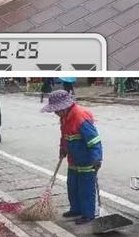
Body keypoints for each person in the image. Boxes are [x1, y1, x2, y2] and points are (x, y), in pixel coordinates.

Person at [42, 90, 103, 225]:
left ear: (64, 107)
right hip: (73, 159)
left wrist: (97, 158)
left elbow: (94, 141)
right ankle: (76, 209)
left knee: (86, 188)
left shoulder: (80, 117)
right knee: (72, 186)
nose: (55, 113)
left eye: (56, 110)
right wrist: (63, 149)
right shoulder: (64, 118)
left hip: (87, 160)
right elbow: (65, 136)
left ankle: (88, 214)